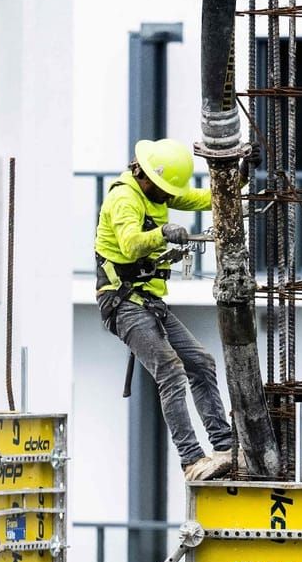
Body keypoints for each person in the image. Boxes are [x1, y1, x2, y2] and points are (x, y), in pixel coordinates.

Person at [93, 138, 234, 484]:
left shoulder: (158, 192)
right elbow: (129, 244)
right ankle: (191, 459)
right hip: (124, 303)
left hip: (150, 303)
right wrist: (163, 233)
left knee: (200, 362)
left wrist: (239, 178)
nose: (168, 198)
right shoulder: (124, 198)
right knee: (170, 370)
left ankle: (225, 445)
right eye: (164, 190)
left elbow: (204, 199)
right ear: (143, 176)